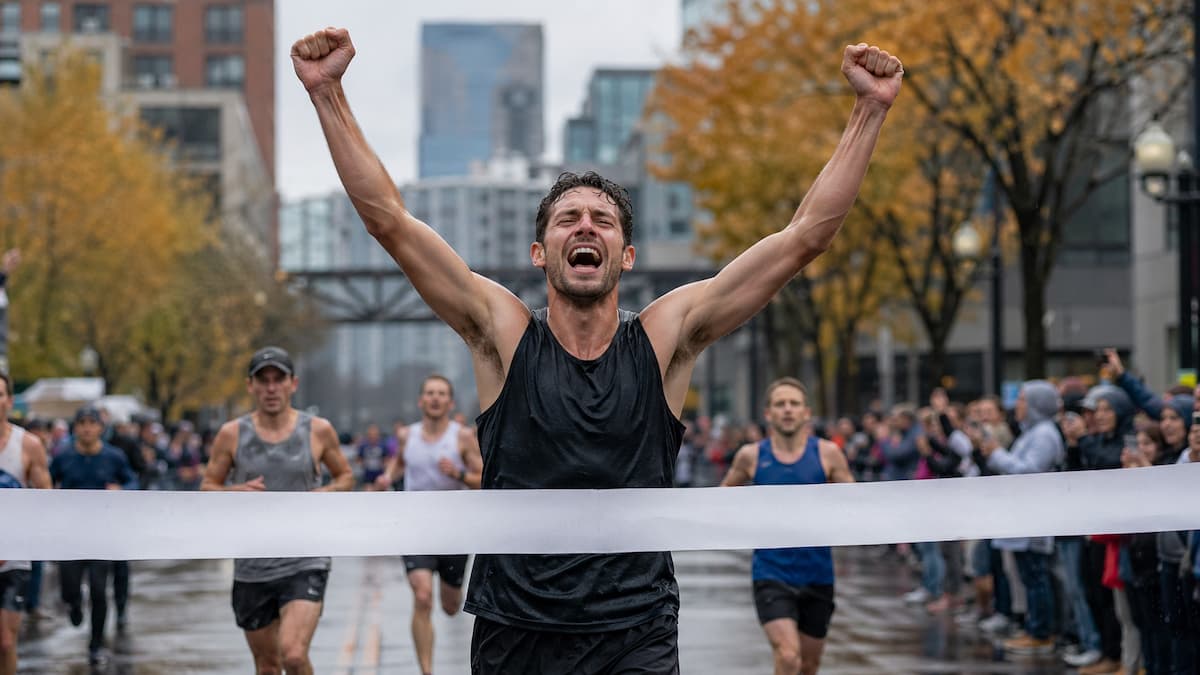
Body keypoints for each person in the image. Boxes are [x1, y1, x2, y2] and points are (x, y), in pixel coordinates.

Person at [294, 26, 902, 673]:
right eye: (568, 218)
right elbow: (390, 221)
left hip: (635, 631)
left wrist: (870, 110)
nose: (585, 225)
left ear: (625, 254)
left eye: (602, 219)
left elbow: (802, 238)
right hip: (515, 628)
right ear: (540, 253)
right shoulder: (501, 334)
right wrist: (328, 93)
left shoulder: (667, 336)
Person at [200, 347, 353, 675]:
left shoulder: (317, 430)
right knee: (268, 666)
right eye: (263, 380)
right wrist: (235, 490)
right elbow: (207, 487)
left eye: (278, 379)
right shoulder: (232, 434)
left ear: (292, 384)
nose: (271, 388)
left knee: (294, 655)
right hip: (252, 564)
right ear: (250, 386)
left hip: (305, 557)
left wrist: (325, 492)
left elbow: (346, 476)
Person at [720, 378, 853, 675]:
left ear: (807, 413)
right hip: (771, 572)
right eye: (780, 404)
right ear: (768, 414)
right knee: (788, 655)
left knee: (808, 665)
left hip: (818, 573)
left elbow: (855, 505)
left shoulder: (828, 454)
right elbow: (721, 502)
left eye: (794, 404)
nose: (788, 410)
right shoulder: (751, 456)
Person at [375, 374, 482, 675]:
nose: (435, 398)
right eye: (430, 393)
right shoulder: (407, 435)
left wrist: (459, 476)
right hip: (415, 527)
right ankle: (426, 670)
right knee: (422, 596)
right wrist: (386, 478)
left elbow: (484, 478)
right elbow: (399, 465)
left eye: (441, 393)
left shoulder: (461, 437)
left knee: (450, 606)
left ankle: (452, 593)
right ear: (421, 401)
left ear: (450, 402)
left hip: (453, 531)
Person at [49, 405, 138, 666]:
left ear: (101, 427)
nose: (87, 428)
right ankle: (74, 605)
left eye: (92, 423)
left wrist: (121, 490)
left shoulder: (114, 457)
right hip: (71, 534)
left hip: (103, 533)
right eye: (82, 423)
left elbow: (132, 482)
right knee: (69, 586)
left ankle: (95, 645)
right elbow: (45, 483)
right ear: (75, 428)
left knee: (100, 590)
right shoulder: (63, 456)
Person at [0, 372, 50, 675]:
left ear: (8, 399)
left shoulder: (28, 445)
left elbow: (46, 497)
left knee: (5, 641)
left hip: (13, 556)